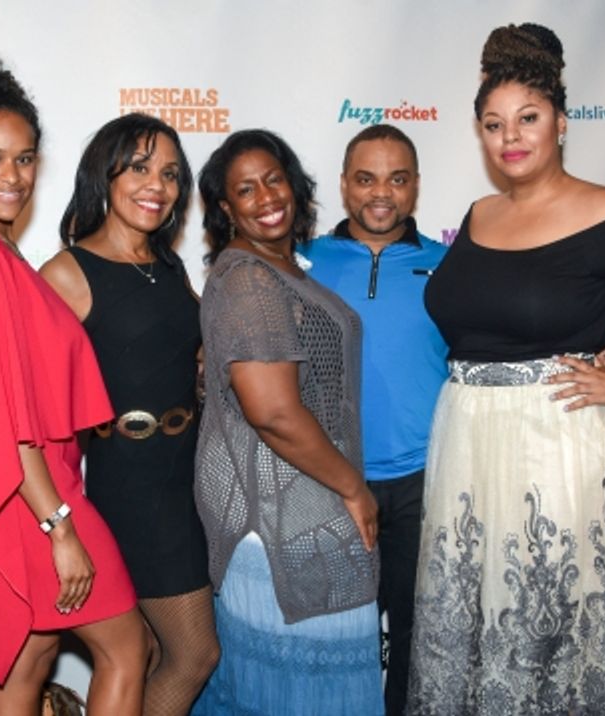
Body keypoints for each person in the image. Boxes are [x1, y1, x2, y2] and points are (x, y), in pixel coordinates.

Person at [407, 23, 605, 716]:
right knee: (482, 622)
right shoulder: (480, 214)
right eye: (492, 124)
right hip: (468, 445)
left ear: (561, 123)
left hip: (562, 446)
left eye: (527, 118)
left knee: (560, 630)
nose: (509, 137)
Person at [0, 58, 149, 715]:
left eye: (24, 159)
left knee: (25, 663)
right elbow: (3, 413)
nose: (11, 176)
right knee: (125, 650)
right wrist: (59, 525)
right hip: (32, 491)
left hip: (30, 482)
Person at [191, 128, 382, 716]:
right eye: (245, 190)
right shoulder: (250, 278)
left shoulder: (279, 270)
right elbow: (272, 411)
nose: (266, 196)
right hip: (280, 519)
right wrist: (355, 489)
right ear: (226, 209)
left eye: (273, 179)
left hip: (296, 502)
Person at [41, 112, 219, 716]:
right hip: (133, 486)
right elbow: (23, 384)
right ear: (106, 174)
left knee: (139, 653)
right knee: (194, 655)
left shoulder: (167, 264)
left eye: (170, 174)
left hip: (186, 473)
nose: (157, 185)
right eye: (140, 167)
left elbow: (184, 348)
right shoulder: (68, 273)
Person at [299, 124, 447, 716]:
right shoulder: (302, 262)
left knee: (416, 638)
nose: (380, 194)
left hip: (426, 482)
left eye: (396, 179)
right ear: (343, 185)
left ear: (414, 187)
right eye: (365, 179)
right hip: (332, 479)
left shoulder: (451, 265)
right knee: (337, 640)